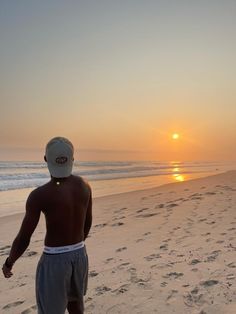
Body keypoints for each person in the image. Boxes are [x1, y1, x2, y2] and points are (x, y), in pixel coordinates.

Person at [2, 137, 92, 314]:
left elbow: (23, 238)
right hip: (80, 254)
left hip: (55, 261)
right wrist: (75, 246)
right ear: (72, 159)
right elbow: (87, 224)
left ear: (45, 159)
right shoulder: (84, 186)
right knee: (76, 305)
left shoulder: (39, 195)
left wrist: (9, 262)